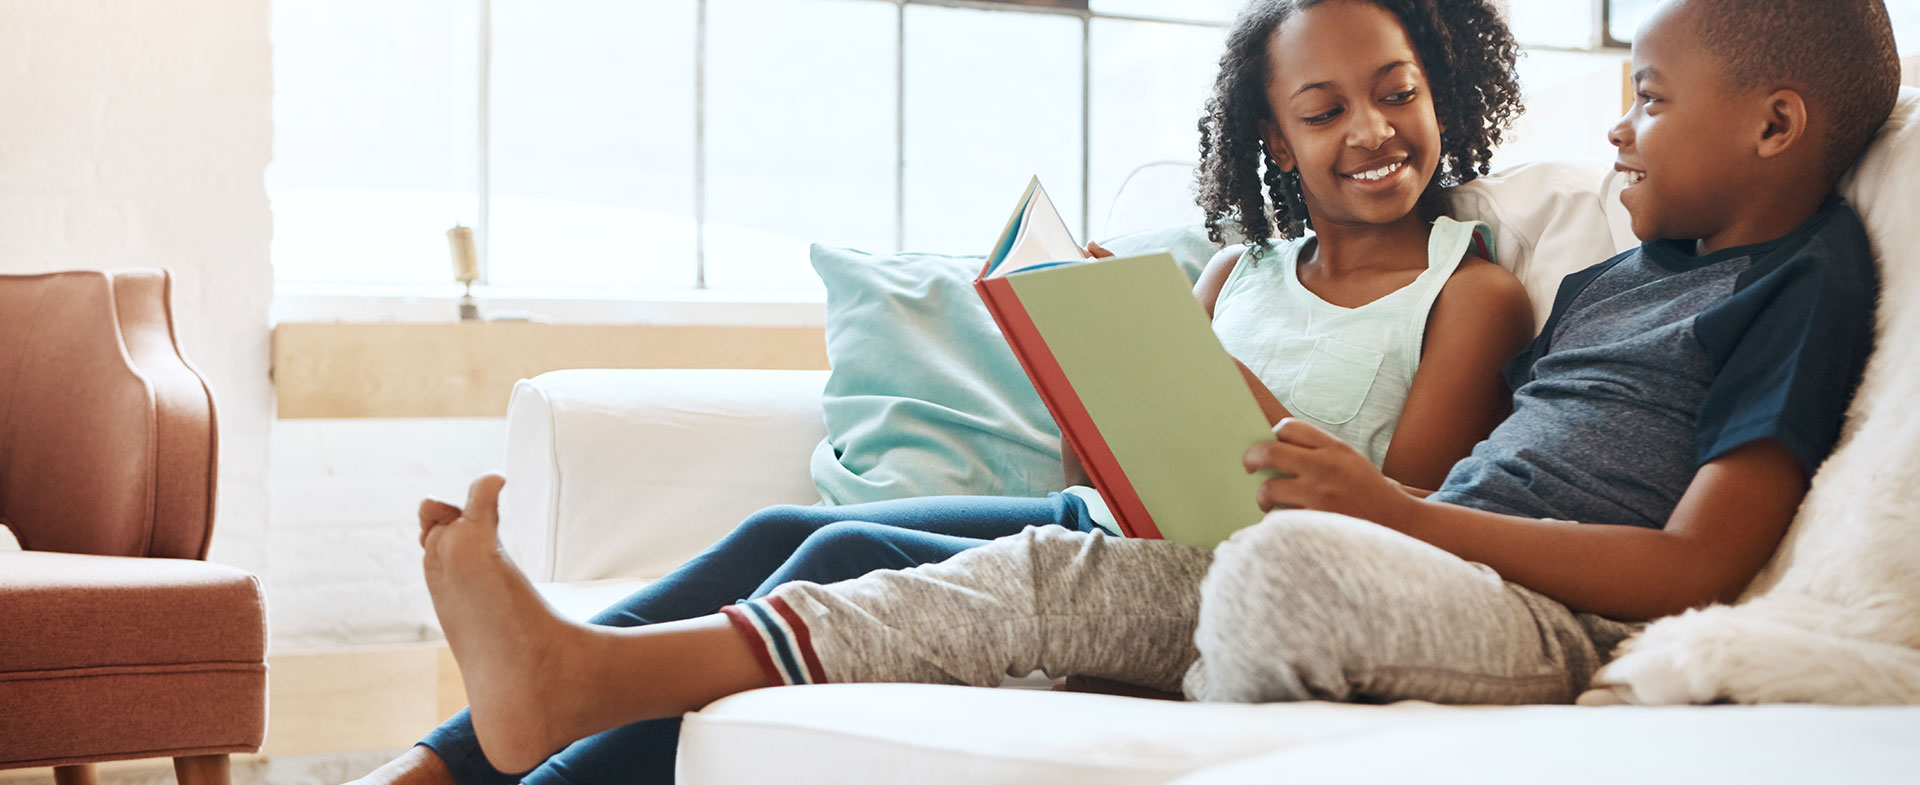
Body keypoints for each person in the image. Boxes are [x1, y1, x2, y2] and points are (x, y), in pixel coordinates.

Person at [414, 0, 1900, 771]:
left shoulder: (1801, 282)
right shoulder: (1622, 276)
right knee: (1040, 572)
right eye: (1628, 101)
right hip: (1415, 556)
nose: (1622, 133)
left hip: (1542, 615)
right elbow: (1465, 484)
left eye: (1650, 100)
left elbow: (1696, 566)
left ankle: (1143, 645)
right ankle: (582, 679)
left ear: (1775, 125)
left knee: (1274, 579)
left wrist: (1390, 514)